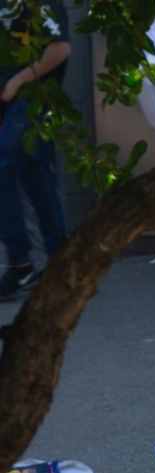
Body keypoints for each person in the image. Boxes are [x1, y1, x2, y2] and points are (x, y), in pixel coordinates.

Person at [0, 0, 70, 301]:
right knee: (36, 177)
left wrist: (17, 81)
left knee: (4, 169)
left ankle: (21, 263)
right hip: (14, 101)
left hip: (32, 97)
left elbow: (59, 49)